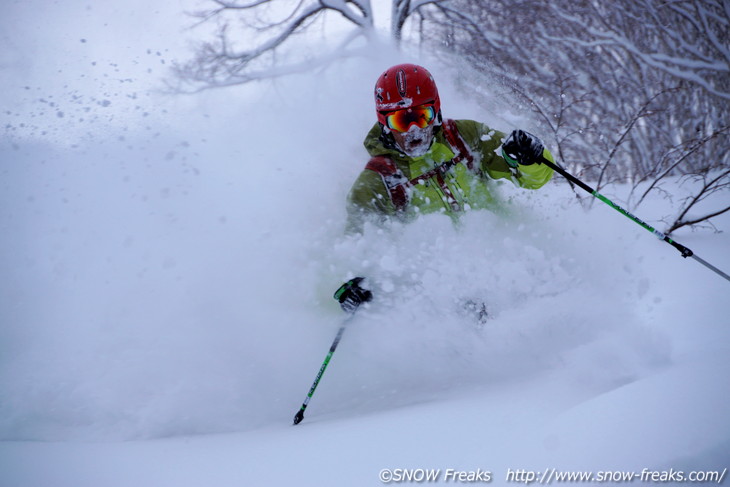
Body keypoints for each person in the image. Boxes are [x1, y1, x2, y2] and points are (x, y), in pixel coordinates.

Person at [335, 63, 556, 312]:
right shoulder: (378, 180)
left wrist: (531, 156)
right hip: (443, 294)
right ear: (384, 122)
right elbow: (357, 245)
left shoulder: (465, 137)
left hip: (508, 266)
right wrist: (352, 284)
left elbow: (536, 179)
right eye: (401, 121)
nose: (414, 130)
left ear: (436, 110)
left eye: (422, 116)